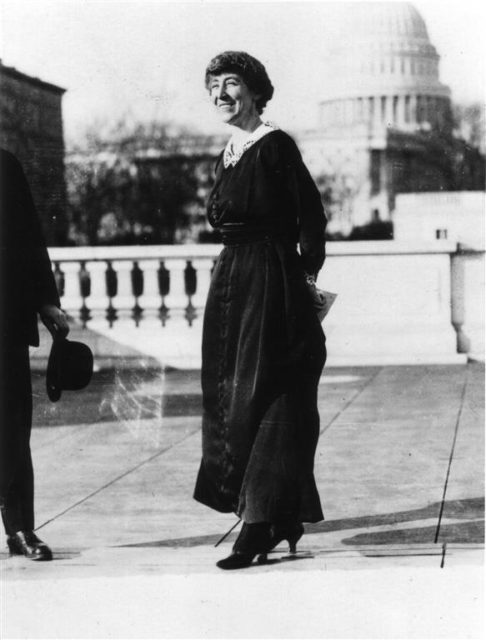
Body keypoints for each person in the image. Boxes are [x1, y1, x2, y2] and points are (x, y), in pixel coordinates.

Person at [193, 51, 327, 569]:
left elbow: (310, 215)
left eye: (230, 85)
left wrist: (302, 278)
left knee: (272, 395)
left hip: (271, 280)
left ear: (255, 91)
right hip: (232, 283)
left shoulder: (275, 146)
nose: (220, 95)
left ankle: (258, 525)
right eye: (213, 88)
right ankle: (277, 516)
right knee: (234, 397)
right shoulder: (229, 151)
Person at [0, 148, 69, 560]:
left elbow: (28, 236)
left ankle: (20, 528)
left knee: (10, 424)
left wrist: (46, 300)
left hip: (4, 316)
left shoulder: (5, 165)